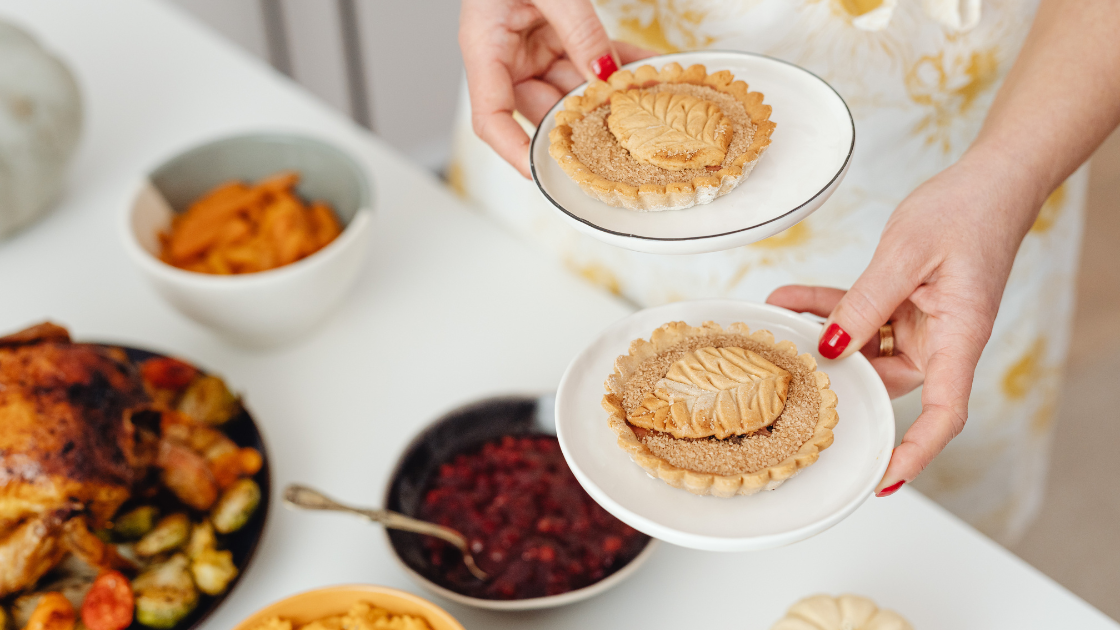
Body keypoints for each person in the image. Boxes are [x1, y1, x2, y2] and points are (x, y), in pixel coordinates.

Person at [453, 0, 1120, 544]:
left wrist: (1006, 178)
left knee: (909, 537)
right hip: (568, 95)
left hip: (959, 172)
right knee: (532, 474)